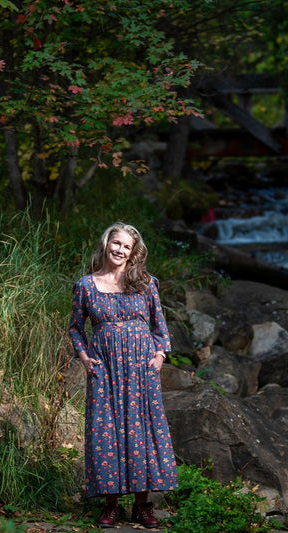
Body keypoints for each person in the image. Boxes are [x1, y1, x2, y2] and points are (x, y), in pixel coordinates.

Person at [68, 222, 178, 529]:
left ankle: (142, 507)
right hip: (104, 367)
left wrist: (160, 355)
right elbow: (76, 327)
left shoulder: (145, 282)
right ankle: (111, 505)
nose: (120, 250)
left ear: (133, 253)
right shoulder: (86, 286)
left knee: (142, 432)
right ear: (106, 244)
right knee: (107, 432)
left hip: (142, 367)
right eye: (116, 243)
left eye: (126, 246)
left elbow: (159, 325)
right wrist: (84, 355)